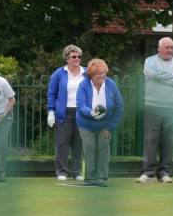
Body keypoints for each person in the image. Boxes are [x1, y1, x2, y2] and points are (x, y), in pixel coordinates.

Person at [137, 37, 173, 184]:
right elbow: (150, 73)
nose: (170, 50)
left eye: (172, 47)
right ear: (159, 48)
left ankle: (164, 172)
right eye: (167, 47)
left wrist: (161, 78)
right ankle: (147, 172)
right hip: (152, 106)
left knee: (168, 142)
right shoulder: (150, 61)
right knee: (150, 140)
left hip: (172, 108)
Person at [76, 59, 124, 187]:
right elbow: (81, 106)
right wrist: (91, 113)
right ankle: (90, 178)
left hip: (105, 125)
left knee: (103, 148)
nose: (102, 76)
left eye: (104, 73)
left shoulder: (111, 85)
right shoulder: (83, 85)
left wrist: (110, 127)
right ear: (91, 74)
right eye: (99, 73)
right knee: (90, 148)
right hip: (86, 124)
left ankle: (101, 178)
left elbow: (119, 106)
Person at [47, 45, 86, 181]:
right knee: (62, 143)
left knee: (78, 143)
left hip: (81, 113)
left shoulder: (86, 73)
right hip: (63, 112)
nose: (77, 59)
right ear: (67, 58)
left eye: (79, 57)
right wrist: (51, 111)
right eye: (74, 57)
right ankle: (61, 172)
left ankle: (77, 172)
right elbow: (52, 94)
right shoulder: (59, 73)